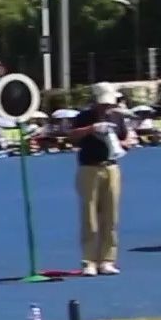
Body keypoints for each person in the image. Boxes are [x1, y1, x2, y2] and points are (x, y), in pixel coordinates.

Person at [67, 83, 132, 275]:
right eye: (103, 104)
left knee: (111, 216)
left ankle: (107, 259)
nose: (106, 108)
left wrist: (121, 144)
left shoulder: (118, 117)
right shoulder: (83, 117)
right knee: (89, 216)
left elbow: (127, 139)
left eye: (109, 104)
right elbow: (72, 137)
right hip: (89, 168)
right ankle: (89, 260)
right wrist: (91, 129)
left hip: (111, 167)